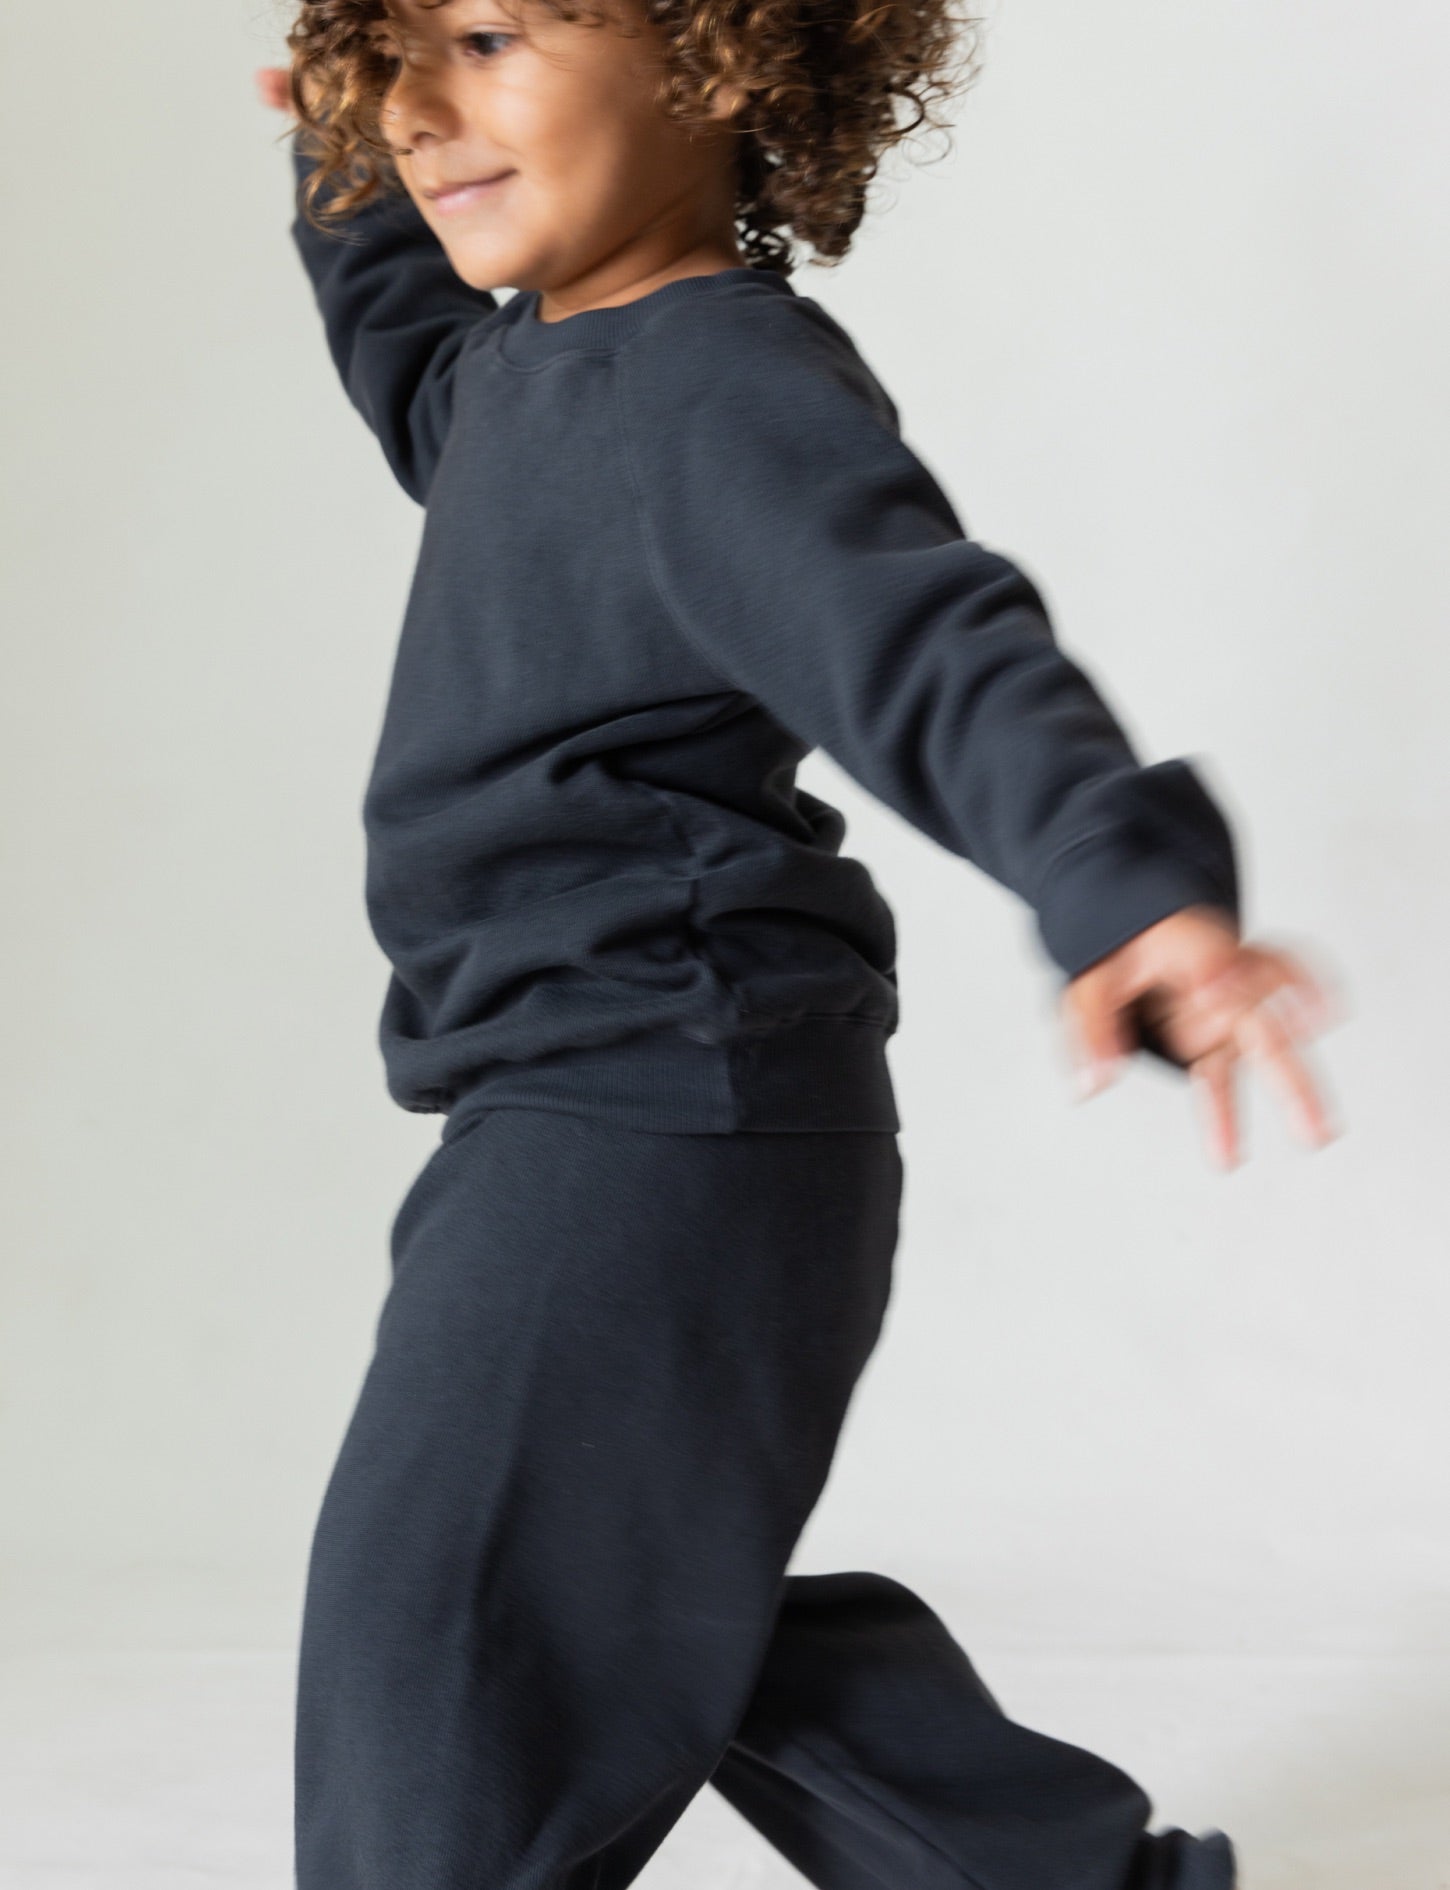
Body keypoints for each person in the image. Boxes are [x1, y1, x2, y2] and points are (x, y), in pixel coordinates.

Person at [255, 0, 1338, 1882]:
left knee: (441, 1630)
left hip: (658, 1112)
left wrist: (1120, 882)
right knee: (635, 1587)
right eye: (386, 51)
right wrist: (339, 165)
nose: (421, 105)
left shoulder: (715, 392)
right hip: (599, 1104)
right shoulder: (525, 374)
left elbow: (928, 645)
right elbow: (414, 359)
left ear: (716, 58)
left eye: (490, 36)